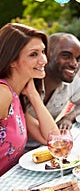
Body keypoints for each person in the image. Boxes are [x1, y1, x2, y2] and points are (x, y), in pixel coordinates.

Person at [0, 23, 59, 176]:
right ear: (12, 60)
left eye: (43, 52)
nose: (44, 60)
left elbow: (53, 140)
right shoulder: (3, 94)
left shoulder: (15, 96)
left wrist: (33, 94)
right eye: (34, 54)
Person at [25, 33, 80, 152]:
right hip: (18, 153)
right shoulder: (25, 84)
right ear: (47, 55)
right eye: (66, 56)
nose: (74, 64)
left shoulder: (72, 81)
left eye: (78, 59)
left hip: (47, 145)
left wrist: (69, 117)